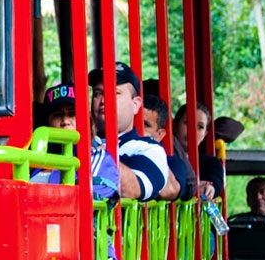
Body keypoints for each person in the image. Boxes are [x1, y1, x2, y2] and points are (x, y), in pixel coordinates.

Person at [89, 63, 169, 202]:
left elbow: (134, 187)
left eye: (115, 93)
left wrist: (93, 154)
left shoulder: (149, 149)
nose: (103, 100)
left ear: (136, 104)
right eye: (97, 93)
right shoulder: (78, 139)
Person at [173, 102, 223, 200]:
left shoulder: (210, 163)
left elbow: (216, 180)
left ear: (205, 134)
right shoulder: (162, 154)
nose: (192, 131)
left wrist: (210, 189)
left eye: (200, 127)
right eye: (187, 123)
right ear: (175, 125)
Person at [141, 92, 184, 201]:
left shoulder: (174, 163)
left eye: (146, 125)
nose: (138, 129)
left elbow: (170, 190)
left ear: (160, 134)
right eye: (135, 122)